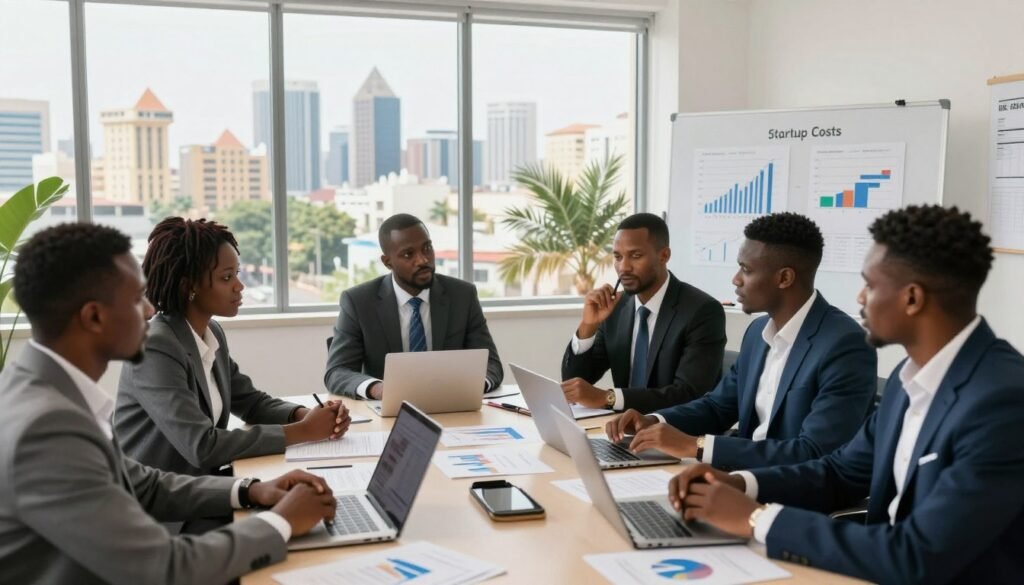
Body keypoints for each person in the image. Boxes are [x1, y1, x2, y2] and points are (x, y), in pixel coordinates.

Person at [669, 205, 1024, 584]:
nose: (859, 298)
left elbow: (918, 555)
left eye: (870, 285)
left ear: (912, 298)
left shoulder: (1002, 402)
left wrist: (757, 518)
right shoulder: (913, 378)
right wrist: (740, 484)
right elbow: (840, 472)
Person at [0, 223, 337, 584]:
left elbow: (143, 485)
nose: (149, 310)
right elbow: (163, 568)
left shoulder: (47, 394)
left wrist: (252, 489)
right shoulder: (46, 427)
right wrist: (281, 522)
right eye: (135, 299)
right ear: (94, 316)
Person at [606, 213, 876, 469]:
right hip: (741, 476)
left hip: (791, 497)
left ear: (784, 278)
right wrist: (653, 420)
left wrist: (696, 446)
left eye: (746, 269)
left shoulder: (844, 345)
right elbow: (717, 406)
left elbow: (813, 452)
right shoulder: (758, 333)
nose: (735, 280)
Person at [115, 217, 349, 480]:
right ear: (189, 286)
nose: (239, 286)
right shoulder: (155, 346)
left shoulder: (210, 331)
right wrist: (304, 431)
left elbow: (250, 402)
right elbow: (202, 446)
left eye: (236, 274)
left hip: (204, 485)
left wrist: (305, 415)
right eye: (226, 277)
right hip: (164, 507)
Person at [560, 213, 726, 413]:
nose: (624, 267)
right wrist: (588, 326)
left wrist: (608, 397)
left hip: (674, 433)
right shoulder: (616, 308)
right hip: (620, 429)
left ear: (664, 256)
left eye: (636, 256)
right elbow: (575, 384)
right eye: (618, 257)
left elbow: (689, 394)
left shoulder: (702, 311)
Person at [325, 213, 503, 400]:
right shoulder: (358, 302)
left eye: (427, 248)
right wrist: (378, 389)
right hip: (388, 410)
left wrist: (474, 385)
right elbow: (337, 371)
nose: (423, 260)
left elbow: (491, 364)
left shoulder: (462, 295)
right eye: (408, 254)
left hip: (452, 405)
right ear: (387, 262)